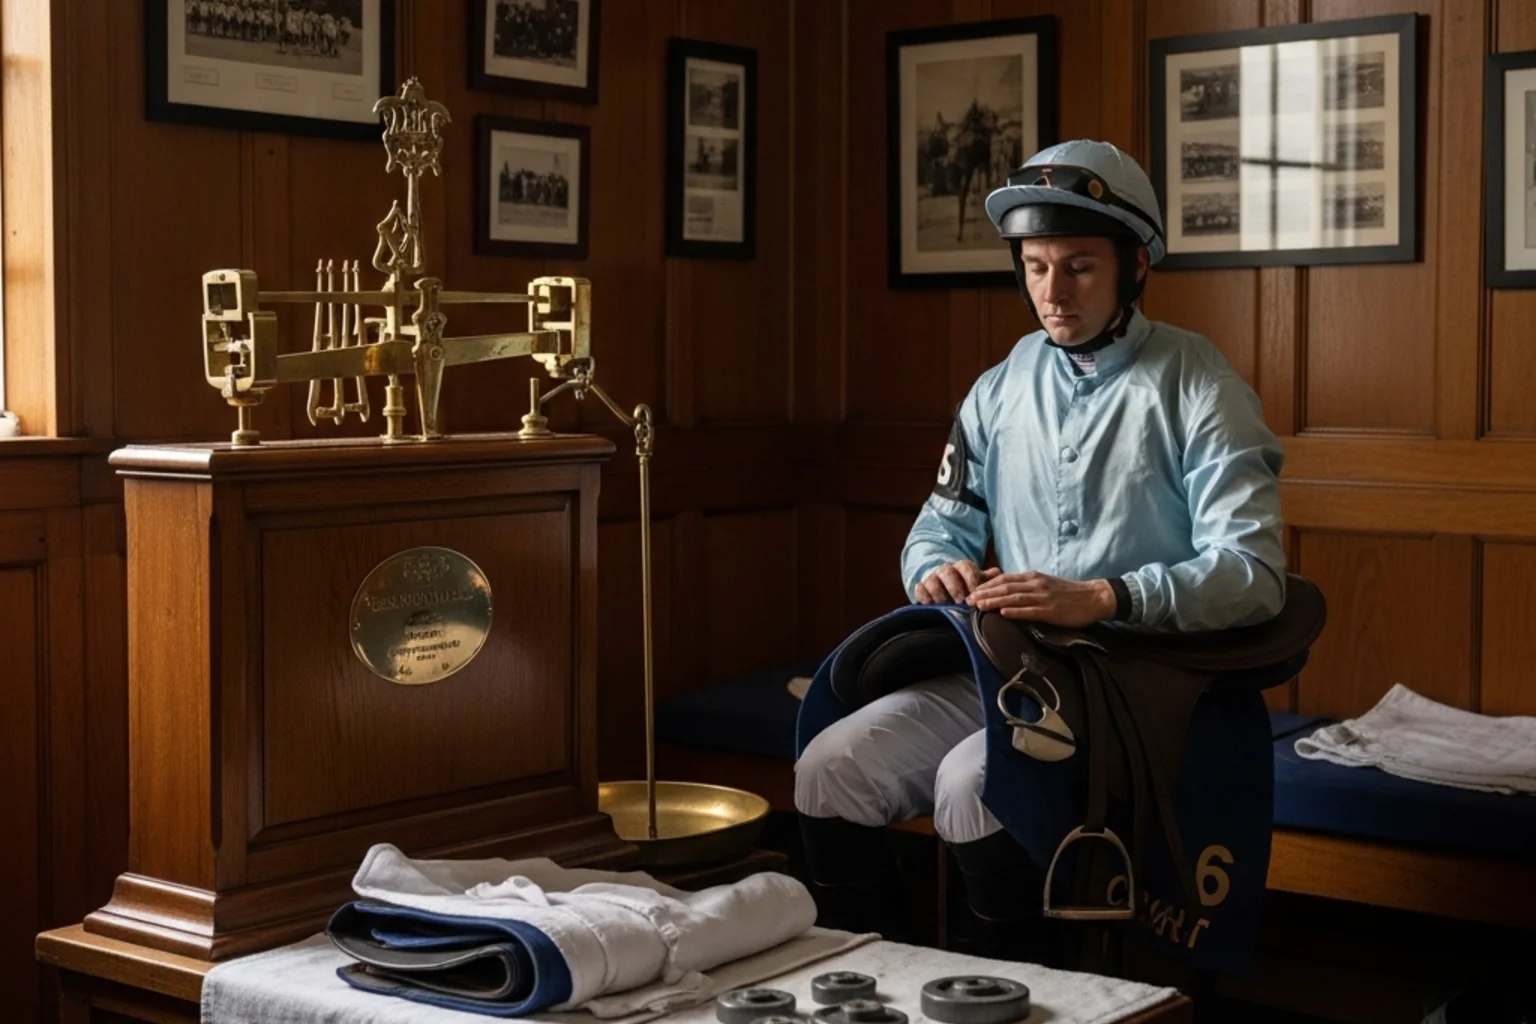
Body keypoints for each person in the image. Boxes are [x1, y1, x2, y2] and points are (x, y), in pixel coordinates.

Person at [793, 140, 1287, 962]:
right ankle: (879, 989)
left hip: (1132, 676)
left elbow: (1254, 575)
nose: (1052, 293)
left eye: (1079, 267)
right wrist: (933, 568)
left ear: (1137, 266)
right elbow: (939, 526)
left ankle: (1014, 1000)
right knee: (828, 765)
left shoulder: (1201, 385)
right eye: (1035, 266)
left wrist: (1105, 597)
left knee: (970, 786)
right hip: (1009, 663)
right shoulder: (999, 384)